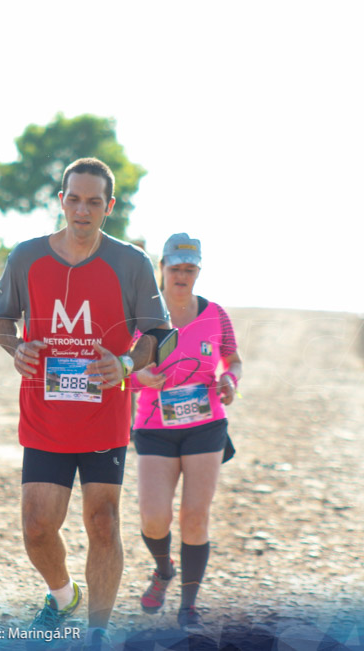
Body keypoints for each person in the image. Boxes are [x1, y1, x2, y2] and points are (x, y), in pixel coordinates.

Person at [0, 158, 169, 647]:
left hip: (104, 414)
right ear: (60, 200)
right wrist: (16, 346)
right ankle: (63, 594)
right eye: (74, 198)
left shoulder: (131, 263)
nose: (82, 210)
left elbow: (159, 333)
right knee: (37, 527)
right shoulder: (26, 257)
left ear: (108, 207)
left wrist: (128, 364)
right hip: (45, 415)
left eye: (94, 201)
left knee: (103, 523)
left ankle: (96, 631)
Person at [130, 233, 242, 632]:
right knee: (154, 519)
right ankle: (164, 570)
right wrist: (140, 377)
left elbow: (233, 359)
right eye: (175, 268)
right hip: (154, 427)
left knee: (195, 517)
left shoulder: (215, 314)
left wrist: (229, 378)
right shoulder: (141, 318)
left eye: (189, 269)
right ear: (162, 268)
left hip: (205, 424)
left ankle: (188, 604)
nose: (182, 275)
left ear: (198, 272)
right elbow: (121, 374)